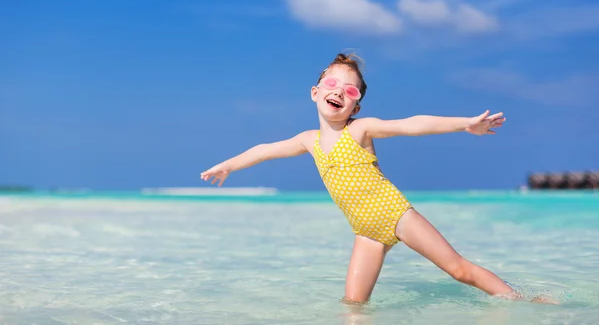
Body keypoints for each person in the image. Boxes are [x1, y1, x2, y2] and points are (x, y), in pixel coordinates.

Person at [201, 53, 551, 304]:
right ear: (315, 91)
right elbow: (265, 149)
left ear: (356, 107)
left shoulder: (360, 130)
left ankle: (524, 301)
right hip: (366, 232)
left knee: (458, 270)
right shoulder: (308, 140)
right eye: (332, 83)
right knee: (352, 305)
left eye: (350, 91)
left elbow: (411, 124)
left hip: (396, 214)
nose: (339, 91)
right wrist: (227, 165)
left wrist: (465, 124)